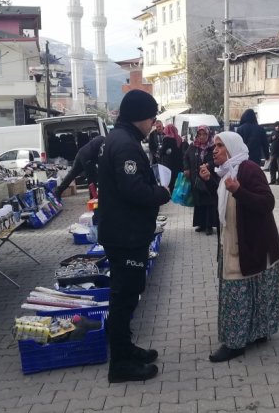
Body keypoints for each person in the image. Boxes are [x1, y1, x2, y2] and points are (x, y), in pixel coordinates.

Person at [97, 89, 172, 382]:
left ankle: (126, 349)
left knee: (127, 294)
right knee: (124, 297)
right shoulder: (125, 144)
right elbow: (133, 189)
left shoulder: (119, 139)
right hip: (125, 234)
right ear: (140, 116)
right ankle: (120, 364)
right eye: (152, 117)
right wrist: (161, 194)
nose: (153, 123)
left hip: (124, 231)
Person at [197, 131, 279, 362]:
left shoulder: (249, 169)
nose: (214, 150)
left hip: (253, 242)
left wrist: (239, 191)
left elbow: (267, 202)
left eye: (219, 145)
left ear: (231, 149)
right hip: (237, 241)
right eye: (214, 146)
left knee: (246, 290)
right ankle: (253, 332)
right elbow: (225, 202)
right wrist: (209, 182)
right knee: (247, 289)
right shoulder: (227, 171)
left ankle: (236, 343)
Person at [183, 125, 218, 235]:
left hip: (209, 178)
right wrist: (187, 168)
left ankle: (209, 226)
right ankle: (201, 224)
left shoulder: (213, 146)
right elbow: (186, 157)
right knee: (199, 201)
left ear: (209, 135)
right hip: (196, 178)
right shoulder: (193, 146)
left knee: (209, 201)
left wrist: (209, 165)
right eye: (200, 134)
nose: (202, 137)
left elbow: (217, 161)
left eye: (204, 134)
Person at [54, 135, 104, 200]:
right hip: (88, 157)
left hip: (81, 153)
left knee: (72, 174)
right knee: (92, 178)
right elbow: (102, 157)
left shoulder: (102, 138)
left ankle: (58, 191)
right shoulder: (105, 143)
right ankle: (93, 198)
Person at [159, 124, 183, 191]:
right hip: (178, 162)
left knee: (169, 178)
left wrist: (161, 152)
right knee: (176, 178)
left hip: (169, 163)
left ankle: (170, 192)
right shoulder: (179, 138)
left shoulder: (167, 138)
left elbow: (162, 151)